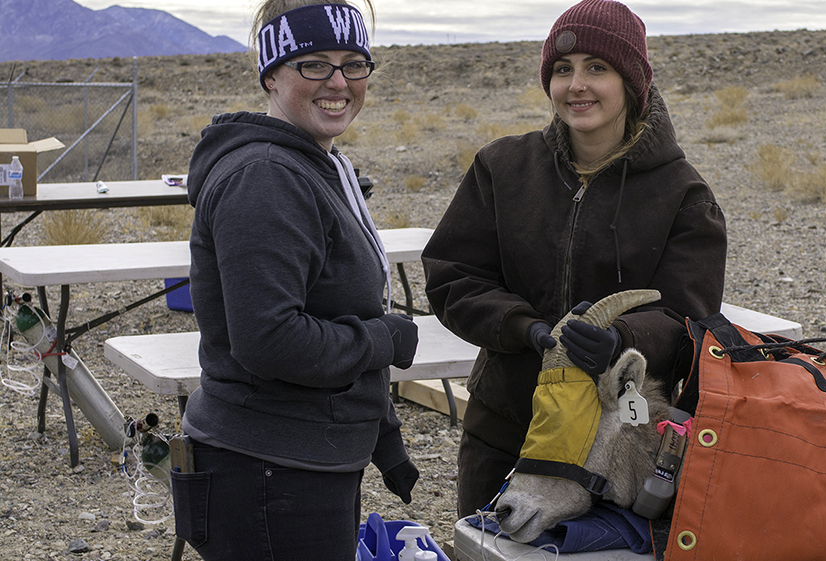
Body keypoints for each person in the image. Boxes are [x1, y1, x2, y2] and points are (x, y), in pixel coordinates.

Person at [421, 0, 727, 517]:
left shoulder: (683, 194)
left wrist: (621, 340)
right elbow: (453, 278)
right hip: (505, 424)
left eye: (597, 68)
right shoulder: (502, 168)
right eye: (563, 70)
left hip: (617, 447)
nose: (576, 85)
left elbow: (689, 319)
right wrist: (527, 329)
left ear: (632, 81)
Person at [172, 1, 420, 559]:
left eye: (354, 63)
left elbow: (331, 310)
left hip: (300, 459)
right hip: (269, 470)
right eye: (314, 64)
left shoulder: (318, 165)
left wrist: (382, 435)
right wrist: (385, 338)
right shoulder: (265, 176)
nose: (338, 82)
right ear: (272, 73)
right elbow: (271, 339)